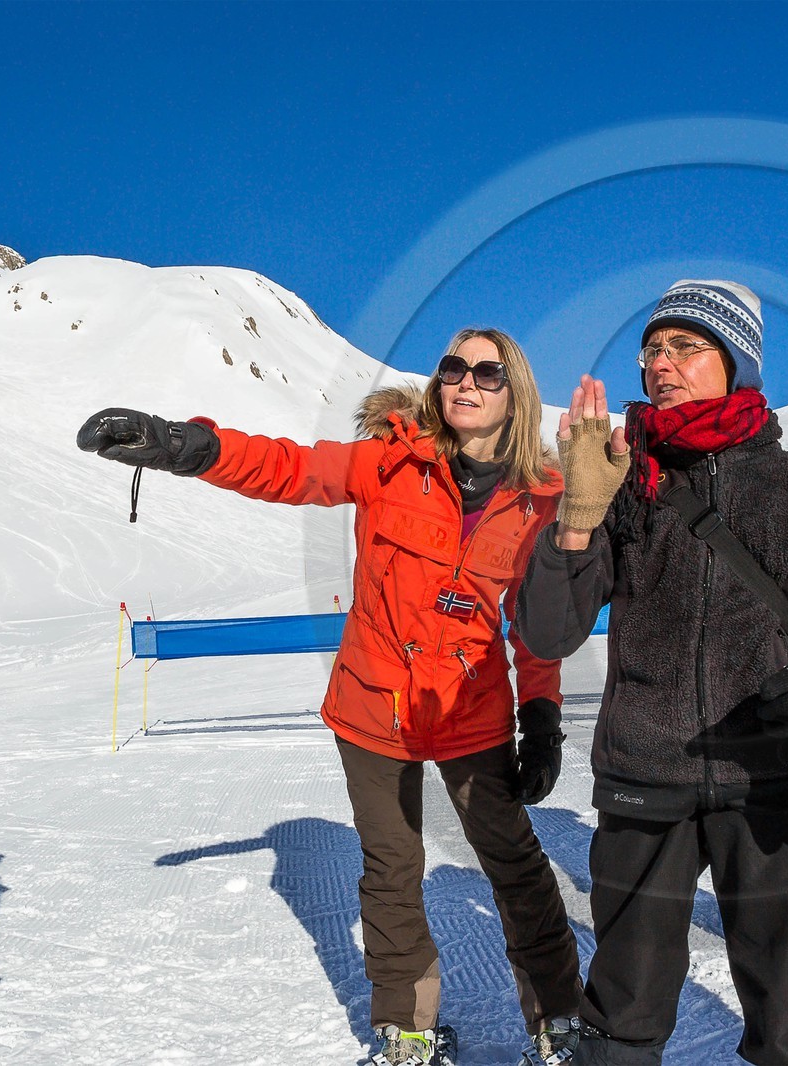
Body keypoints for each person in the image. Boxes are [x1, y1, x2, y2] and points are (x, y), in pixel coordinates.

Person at [77, 329, 583, 1066]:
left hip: (470, 712)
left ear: (518, 392)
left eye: (487, 372)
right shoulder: (391, 460)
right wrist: (183, 446)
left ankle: (557, 1019)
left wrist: (540, 719)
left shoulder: (543, 502)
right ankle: (408, 1028)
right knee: (391, 865)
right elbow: (290, 468)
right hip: (373, 704)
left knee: (514, 863)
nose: (465, 382)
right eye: (452, 367)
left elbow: (537, 627)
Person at [514, 279, 788, 1066]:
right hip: (644, 776)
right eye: (652, 349)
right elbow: (548, 631)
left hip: (775, 785)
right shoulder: (621, 487)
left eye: (686, 347)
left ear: (738, 364)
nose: (661, 363)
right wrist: (579, 516)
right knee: (622, 1008)